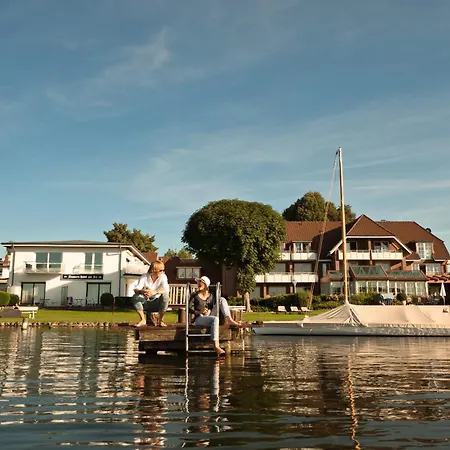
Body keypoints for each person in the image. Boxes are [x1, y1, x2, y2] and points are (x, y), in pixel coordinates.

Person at [188, 276, 240, 356]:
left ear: (205, 284)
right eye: (198, 282)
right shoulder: (195, 295)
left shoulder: (211, 295)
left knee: (222, 299)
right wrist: (198, 312)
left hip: (210, 315)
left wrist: (209, 310)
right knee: (215, 319)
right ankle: (216, 346)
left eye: (200, 282)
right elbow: (188, 308)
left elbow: (212, 306)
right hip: (199, 318)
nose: (198, 284)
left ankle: (229, 319)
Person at [131, 260, 170, 327]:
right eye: (161, 270)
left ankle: (161, 320)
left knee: (165, 296)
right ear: (153, 270)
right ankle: (143, 320)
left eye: (163, 270)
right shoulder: (144, 276)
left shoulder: (163, 276)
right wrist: (142, 292)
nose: (163, 272)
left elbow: (166, 289)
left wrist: (154, 292)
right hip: (146, 302)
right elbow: (136, 289)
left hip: (158, 303)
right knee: (135, 297)